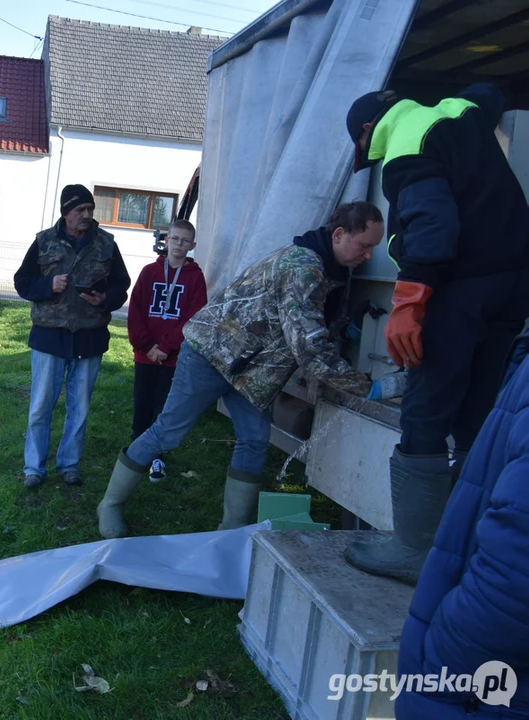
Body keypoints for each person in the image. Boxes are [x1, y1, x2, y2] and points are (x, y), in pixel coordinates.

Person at [96, 202, 405, 539]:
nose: (369, 255)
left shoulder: (328, 268)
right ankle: (110, 504)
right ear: (340, 235)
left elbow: (304, 322)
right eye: (365, 245)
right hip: (211, 355)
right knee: (169, 431)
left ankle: (232, 530)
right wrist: (370, 388)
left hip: (252, 370)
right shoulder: (304, 267)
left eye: (374, 246)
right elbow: (309, 345)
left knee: (255, 439)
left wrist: (344, 330)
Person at [343, 82, 529, 584]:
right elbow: (490, 92)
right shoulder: (459, 112)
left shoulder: (405, 135)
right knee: (478, 413)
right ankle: (468, 547)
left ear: (368, 129)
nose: (372, 159)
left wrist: (408, 301)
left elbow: (432, 220)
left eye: (366, 151)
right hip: (513, 287)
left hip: (458, 289)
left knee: (425, 410)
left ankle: (412, 551)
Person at [396, 329, 529, 718]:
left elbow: (516, 567)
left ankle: (407, 547)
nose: (366, 261)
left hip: (472, 680)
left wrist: (447, 658)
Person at [14, 184, 130, 488]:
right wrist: (47, 285)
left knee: (80, 407)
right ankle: (33, 469)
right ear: (66, 212)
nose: (87, 215)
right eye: (80, 210)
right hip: (49, 337)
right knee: (40, 406)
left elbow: (121, 284)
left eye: (90, 209)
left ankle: (69, 465)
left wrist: (104, 299)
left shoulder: (106, 244)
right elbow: (22, 281)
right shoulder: (44, 242)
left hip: (89, 338)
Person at [126, 220, 208, 481]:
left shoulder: (195, 277)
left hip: (173, 358)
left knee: (163, 408)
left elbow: (194, 316)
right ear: (166, 240)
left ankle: (157, 458)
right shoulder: (149, 272)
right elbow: (135, 311)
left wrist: (166, 346)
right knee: (142, 403)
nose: (179, 244)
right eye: (174, 239)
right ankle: (135, 454)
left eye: (185, 241)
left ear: (192, 245)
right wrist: (147, 346)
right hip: (146, 355)